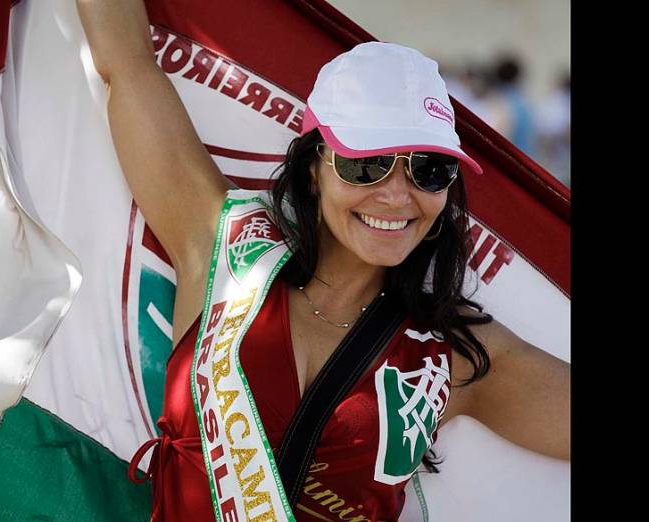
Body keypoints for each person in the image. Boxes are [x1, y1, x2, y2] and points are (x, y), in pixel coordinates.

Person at [76, 1, 570, 520]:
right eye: (368, 164)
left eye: (429, 169)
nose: (398, 196)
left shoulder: (455, 351)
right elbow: (125, 61)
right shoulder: (221, 245)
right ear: (315, 166)